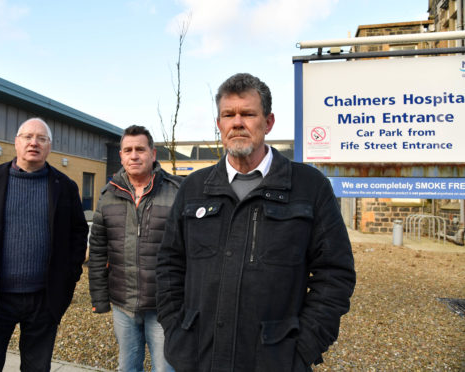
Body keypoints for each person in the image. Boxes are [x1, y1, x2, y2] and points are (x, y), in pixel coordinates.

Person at [156, 73, 356, 371]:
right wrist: (178, 333)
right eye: (228, 115)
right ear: (219, 124)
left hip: (274, 361)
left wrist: (302, 348)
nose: (237, 122)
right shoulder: (194, 188)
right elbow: (169, 265)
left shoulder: (308, 187)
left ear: (269, 122)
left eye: (248, 114)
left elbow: (335, 275)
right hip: (199, 357)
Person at [0, 117, 88, 372]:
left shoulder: (65, 187)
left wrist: (69, 277)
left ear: (49, 147)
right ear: (16, 142)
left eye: (41, 138)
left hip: (43, 300)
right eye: (27, 137)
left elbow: (78, 234)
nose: (33, 143)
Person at [88, 125, 181, 372]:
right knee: (127, 367)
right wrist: (99, 298)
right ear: (120, 156)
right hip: (123, 305)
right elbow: (97, 250)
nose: (134, 155)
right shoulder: (108, 195)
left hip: (164, 306)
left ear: (153, 153)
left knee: (166, 369)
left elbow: (191, 251)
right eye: (127, 150)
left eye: (140, 149)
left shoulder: (176, 192)